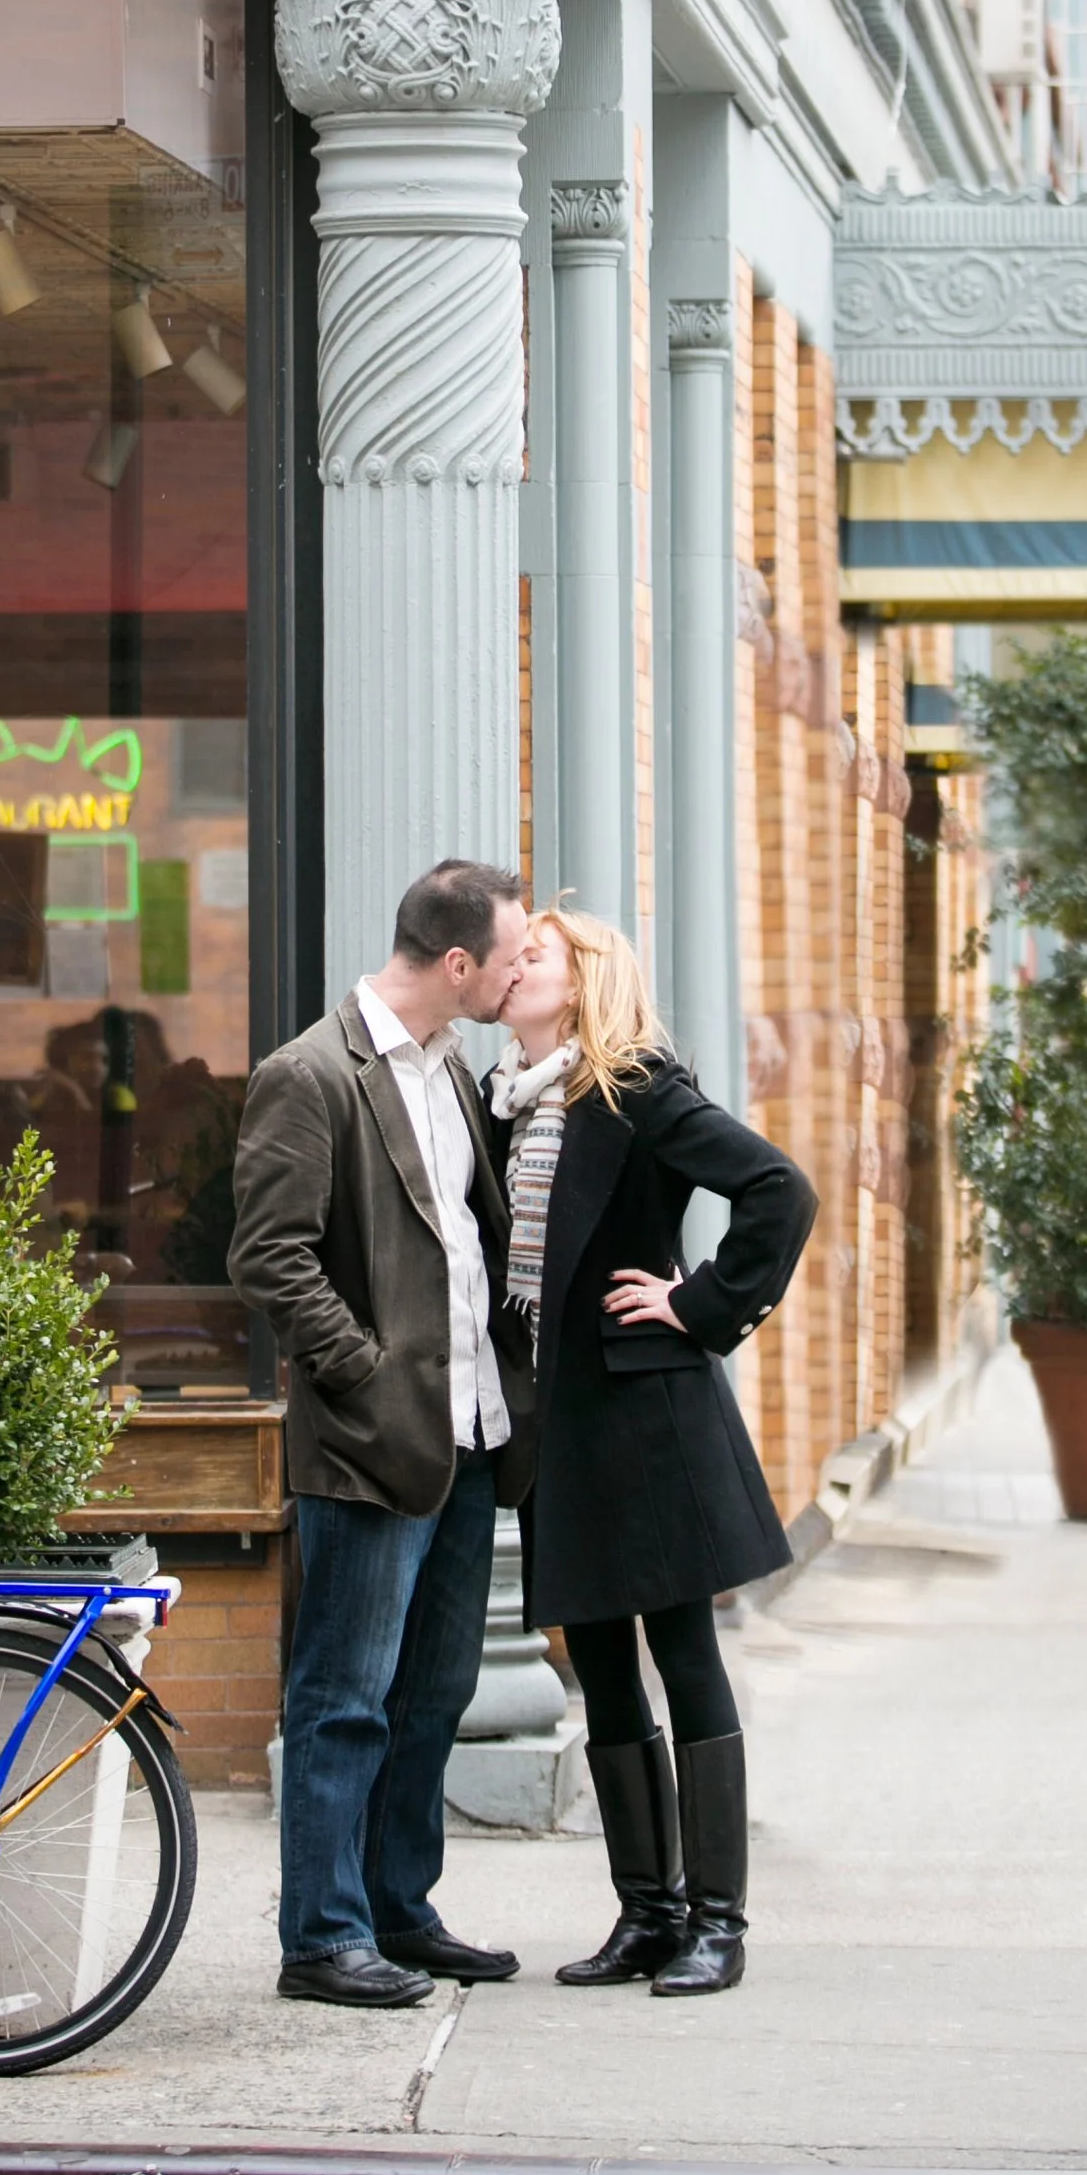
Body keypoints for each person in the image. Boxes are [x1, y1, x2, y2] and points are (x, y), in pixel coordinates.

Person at [227, 855, 536, 2010]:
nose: (517, 979)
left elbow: (460, 1242)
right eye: (507, 960)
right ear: (457, 963)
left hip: (466, 1435)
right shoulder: (309, 1074)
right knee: (342, 1700)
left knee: (430, 1696)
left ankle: (401, 1913)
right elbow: (268, 1259)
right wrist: (363, 1371)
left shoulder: (455, 1070)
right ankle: (322, 1937)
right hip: (369, 1440)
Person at [492, 901, 815, 1998]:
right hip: (560, 1427)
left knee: (682, 1658)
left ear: (581, 982)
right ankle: (647, 1915)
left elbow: (779, 1189)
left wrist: (703, 1304)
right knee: (599, 1669)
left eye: (531, 954)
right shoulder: (509, 1102)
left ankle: (718, 1924)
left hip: (646, 1416)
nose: (510, 967)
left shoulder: (631, 1087)